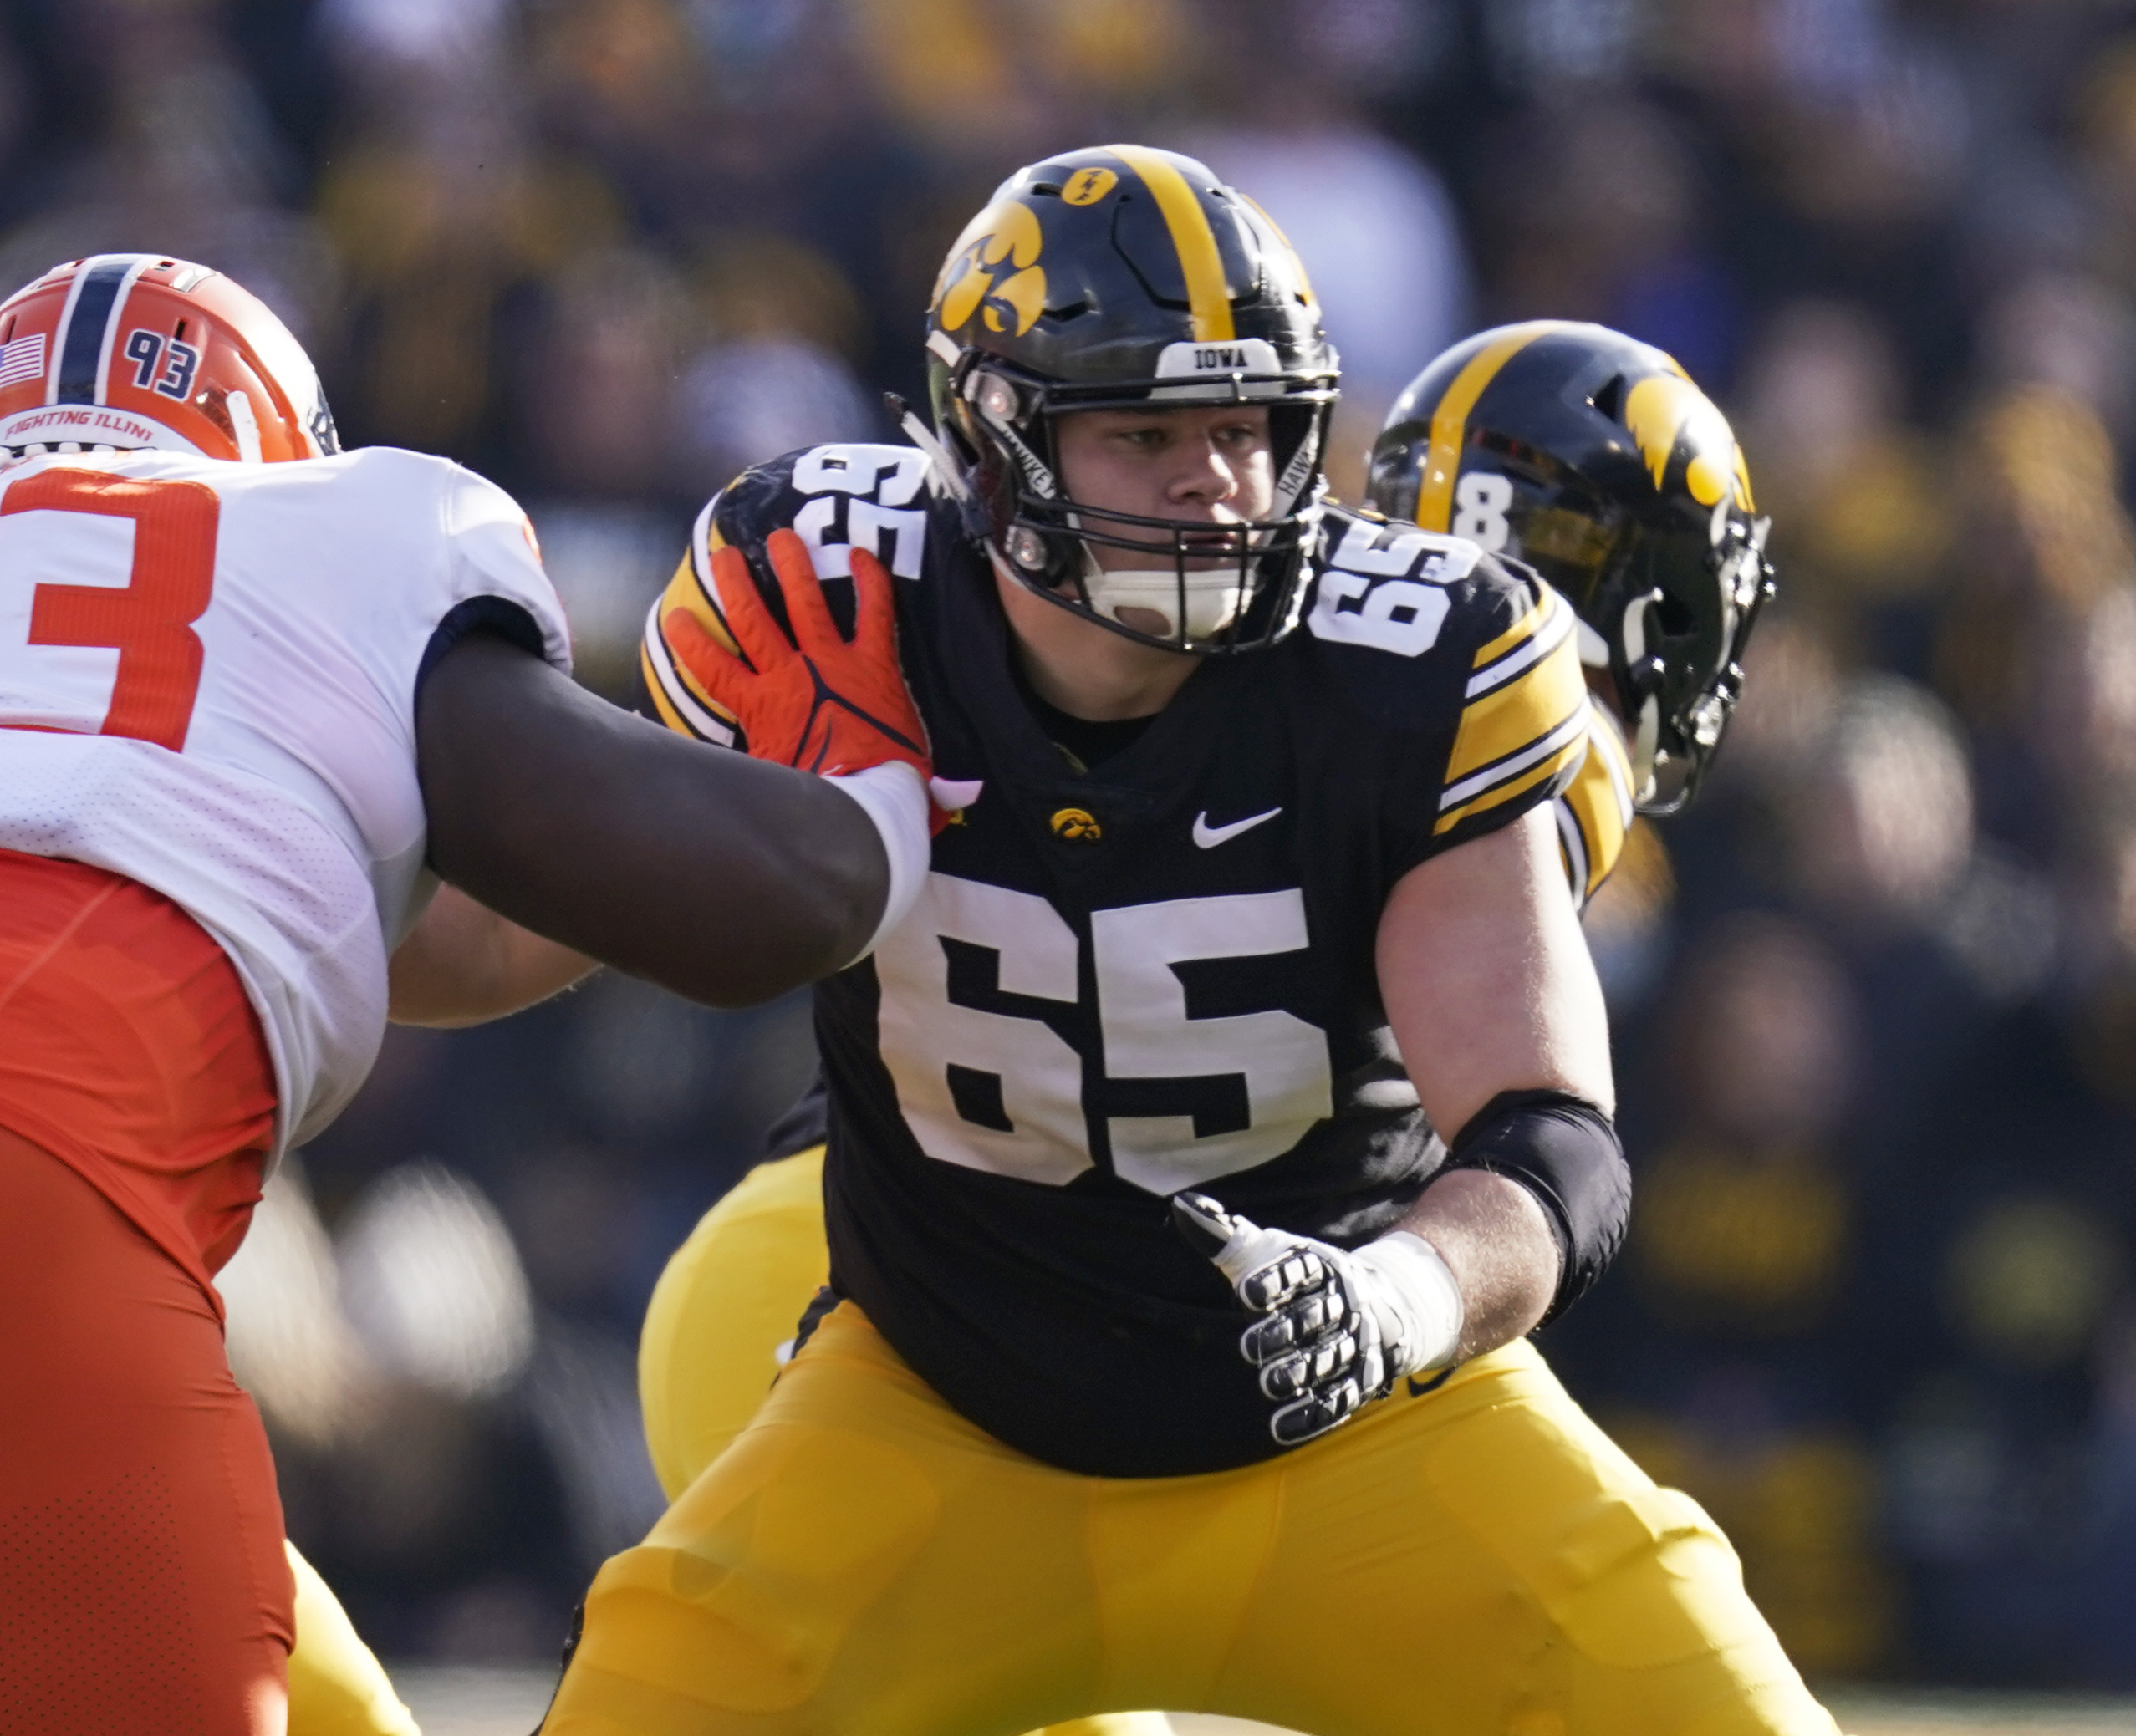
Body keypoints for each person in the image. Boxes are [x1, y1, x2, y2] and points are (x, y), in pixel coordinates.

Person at [547, 145, 1819, 1735]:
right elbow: (545, 913)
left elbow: (1549, 1140)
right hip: (934, 1405)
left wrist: (1399, 1301)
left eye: (1242, 429)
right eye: (1145, 432)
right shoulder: (837, 593)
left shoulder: (1418, 665)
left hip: (1354, 1428)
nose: (1212, 482)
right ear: (993, 443)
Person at [0, 250, 938, 1736]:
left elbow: (416, 943)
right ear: (284, 446)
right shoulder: (336, 538)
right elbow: (765, 906)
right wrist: (874, 785)